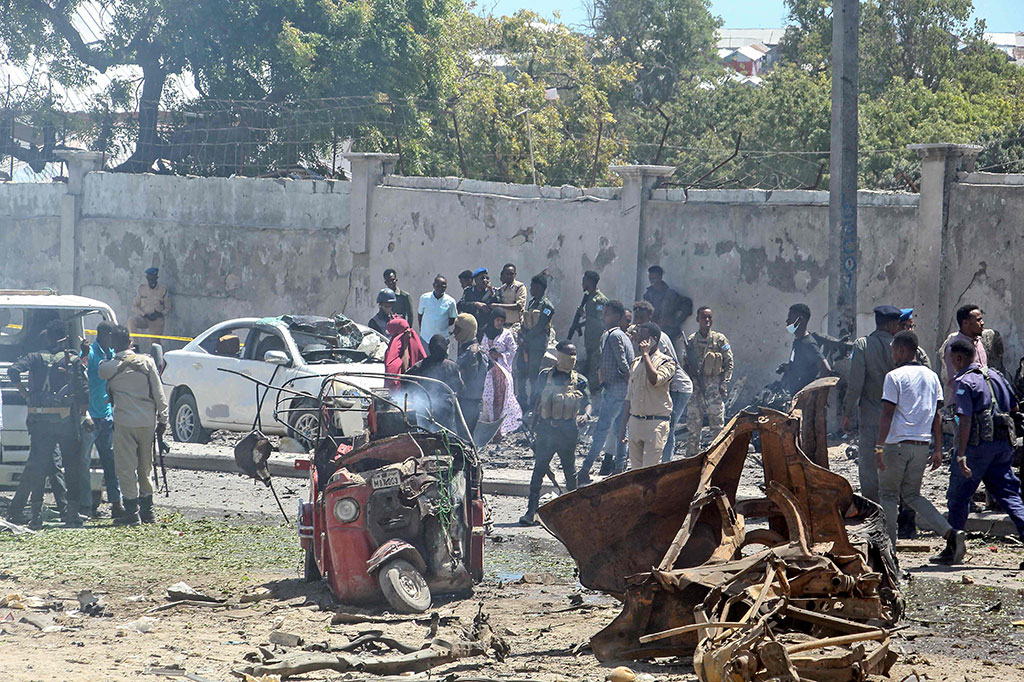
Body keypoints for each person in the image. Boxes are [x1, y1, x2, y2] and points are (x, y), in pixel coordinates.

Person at [875, 330, 963, 562]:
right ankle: (950, 533)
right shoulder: (932, 376)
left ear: (901, 350)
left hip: (896, 445)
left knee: (888, 495)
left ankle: (888, 553)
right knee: (913, 495)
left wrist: (879, 447)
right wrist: (937, 449)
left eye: (893, 351)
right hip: (922, 445)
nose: (892, 355)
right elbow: (937, 416)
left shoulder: (893, 377)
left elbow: (887, 414)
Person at [4, 320, 89, 529]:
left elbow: (13, 371)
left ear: (48, 336)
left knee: (38, 468)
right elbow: (83, 391)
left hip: (39, 422)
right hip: (65, 422)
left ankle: (36, 517)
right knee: (71, 467)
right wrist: (83, 415)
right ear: (64, 338)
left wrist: (26, 394)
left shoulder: (34, 357)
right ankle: (72, 515)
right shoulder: (72, 360)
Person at [945, 339, 1024, 556]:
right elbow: (1014, 406)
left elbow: (965, 418)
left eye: (952, 361)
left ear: (959, 358)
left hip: (977, 448)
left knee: (958, 497)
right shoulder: (996, 376)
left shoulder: (964, 381)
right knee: (1010, 495)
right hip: (1003, 444)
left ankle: (954, 548)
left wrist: (961, 454)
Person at [99, 325, 170, 526]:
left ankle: (131, 512)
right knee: (145, 467)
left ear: (113, 344)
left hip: (124, 423)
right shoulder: (147, 362)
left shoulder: (107, 367)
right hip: (147, 422)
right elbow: (159, 393)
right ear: (130, 342)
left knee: (126, 468)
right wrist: (163, 420)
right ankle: (148, 511)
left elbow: (100, 372)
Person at [519, 341, 587, 526]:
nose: (572, 358)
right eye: (568, 354)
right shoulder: (545, 376)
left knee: (570, 472)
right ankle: (531, 512)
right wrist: (532, 421)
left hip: (568, 432)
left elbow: (587, 402)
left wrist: (586, 415)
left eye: (574, 354)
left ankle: (575, 511)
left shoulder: (579, 379)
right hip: (547, 431)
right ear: (559, 355)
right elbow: (537, 399)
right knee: (539, 471)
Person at [842, 305, 903, 504]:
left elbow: (855, 384)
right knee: (895, 461)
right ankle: (895, 503)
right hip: (898, 417)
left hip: (871, 416)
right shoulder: (903, 347)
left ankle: (873, 506)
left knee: (869, 463)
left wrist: (847, 412)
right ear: (892, 324)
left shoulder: (862, 345)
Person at [578, 300, 633, 485]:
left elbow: (623, 364)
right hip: (620, 392)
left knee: (601, 431)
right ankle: (619, 469)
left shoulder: (614, 335)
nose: (603, 317)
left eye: (607, 313)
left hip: (615, 391)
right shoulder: (621, 335)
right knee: (620, 431)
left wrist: (628, 382)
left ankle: (585, 469)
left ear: (617, 316)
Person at [632, 301, 692, 463]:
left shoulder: (659, 338)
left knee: (667, 425)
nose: (638, 321)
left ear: (650, 318)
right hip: (664, 385)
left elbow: (657, 370)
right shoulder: (640, 335)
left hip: (678, 387)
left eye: (642, 318)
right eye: (636, 318)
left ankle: (666, 462)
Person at [620, 322, 677, 471]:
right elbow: (629, 397)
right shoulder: (635, 364)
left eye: (644, 338)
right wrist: (623, 427)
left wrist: (646, 354)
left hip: (655, 423)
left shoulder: (667, 362)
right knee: (636, 471)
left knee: (649, 470)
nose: (639, 342)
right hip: (636, 422)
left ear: (654, 339)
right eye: (639, 337)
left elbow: (655, 380)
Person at [81, 321, 122, 519]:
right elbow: (81, 374)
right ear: (105, 335)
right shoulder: (90, 353)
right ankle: (84, 505)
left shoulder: (112, 354)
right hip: (90, 417)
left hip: (106, 416)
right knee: (84, 462)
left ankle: (116, 503)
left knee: (110, 462)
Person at [683, 306, 733, 458]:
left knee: (717, 427)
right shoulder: (691, 340)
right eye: (703, 317)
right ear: (697, 319)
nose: (707, 320)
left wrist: (724, 384)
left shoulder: (720, 339)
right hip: (696, 390)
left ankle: (718, 458)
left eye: (709, 317)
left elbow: (729, 362)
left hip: (713, 390)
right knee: (693, 428)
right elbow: (685, 364)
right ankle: (691, 458)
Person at [408, 335, 465, 433]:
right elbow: (460, 388)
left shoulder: (421, 364)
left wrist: (416, 392)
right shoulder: (452, 366)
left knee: (425, 434)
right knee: (444, 434)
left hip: (425, 406)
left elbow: (405, 379)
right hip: (444, 407)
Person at [568, 270, 609, 407]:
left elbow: (601, 322)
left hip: (597, 342)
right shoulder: (589, 298)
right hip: (589, 342)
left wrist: (584, 315)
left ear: (590, 282)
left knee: (594, 375)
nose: (582, 283)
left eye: (584, 280)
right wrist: (579, 325)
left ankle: (595, 405)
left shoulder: (599, 300)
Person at [515, 275, 555, 409]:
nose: (531, 289)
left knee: (533, 375)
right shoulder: (532, 303)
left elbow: (540, 327)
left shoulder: (547, 306)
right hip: (526, 345)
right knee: (521, 372)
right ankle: (522, 401)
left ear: (539, 288)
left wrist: (525, 338)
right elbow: (525, 322)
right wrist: (521, 336)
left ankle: (534, 404)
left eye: (533, 286)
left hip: (537, 347)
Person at [480, 310, 522, 436]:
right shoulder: (486, 333)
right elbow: (482, 349)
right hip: (488, 371)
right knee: (488, 398)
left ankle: (499, 429)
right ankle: (489, 426)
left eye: (502, 321)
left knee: (501, 400)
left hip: (502, 371)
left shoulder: (506, 334)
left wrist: (500, 355)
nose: (499, 323)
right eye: (497, 320)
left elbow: (513, 351)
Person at [453, 313, 491, 435]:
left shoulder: (473, 353)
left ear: (466, 330)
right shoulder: (466, 349)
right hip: (464, 400)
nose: (454, 333)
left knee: (464, 437)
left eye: (457, 329)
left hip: (469, 402)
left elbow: (471, 377)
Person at [781, 303, 830, 395]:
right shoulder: (798, 342)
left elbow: (826, 369)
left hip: (803, 399)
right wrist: (788, 367)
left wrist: (814, 394)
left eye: (790, 318)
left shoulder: (808, 344)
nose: (787, 321)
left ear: (800, 320)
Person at [941, 304, 987, 401]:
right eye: (978, 320)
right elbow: (953, 380)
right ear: (965, 323)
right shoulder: (955, 347)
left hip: (982, 399)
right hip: (965, 401)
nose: (982, 323)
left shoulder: (979, 342)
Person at [643, 265, 691, 347]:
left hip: (669, 333)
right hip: (653, 333)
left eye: (654, 278)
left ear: (660, 277)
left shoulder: (670, 294)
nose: (652, 281)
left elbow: (687, 305)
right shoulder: (648, 295)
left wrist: (675, 321)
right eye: (650, 279)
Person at [129, 267, 171, 350]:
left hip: (157, 319)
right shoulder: (141, 289)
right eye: (150, 279)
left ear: (156, 278)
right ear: (147, 279)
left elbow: (168, 307)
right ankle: (135, 345)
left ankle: (154, 355)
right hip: (144, 317)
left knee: (154, 344)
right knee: (131, 321)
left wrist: (160, 314)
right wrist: (143, 314)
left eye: (153, 279)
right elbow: (134, 306)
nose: (152, 281)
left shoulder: (163, 290)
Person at [384, 317, 427, 386]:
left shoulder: (410, 342)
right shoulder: (396, 346)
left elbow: (404, 369)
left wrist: (405, 346)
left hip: (408, 387)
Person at [459, 267, 498, 340]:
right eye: (482, 278)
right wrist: (475, 304)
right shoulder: (469, 291)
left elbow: (498, 306)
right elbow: (461, 305)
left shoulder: (492, 291)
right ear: (475, 280)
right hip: (471, 328)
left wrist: (492, 292)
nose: (485, 280)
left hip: (486, 329)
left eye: (487, 278)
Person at [418, 275, 458, 344]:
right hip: (425, 337)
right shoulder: (424, 298)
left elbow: (452, 319)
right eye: (438, 286)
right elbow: (420, 314)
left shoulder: (451, 301)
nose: (440, 289)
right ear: (433, 285)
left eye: (443, 287)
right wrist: (421, 328)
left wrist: (441, 325)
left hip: (442, 339)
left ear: (446, 287)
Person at [491, 263, 528, 336]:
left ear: (515, 274)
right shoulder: (502, 289)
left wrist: (499, 306)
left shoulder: (519, 287)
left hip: (515, 326)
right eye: (507, 274)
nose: (509, 276)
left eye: (511, 274)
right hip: (502, 326)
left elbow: (519, 306)